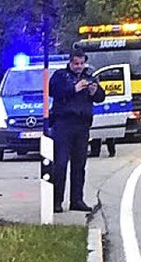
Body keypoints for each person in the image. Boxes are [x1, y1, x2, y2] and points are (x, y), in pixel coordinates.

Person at [49, 48, 105, 213]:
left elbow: (101, 97)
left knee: (79, 164)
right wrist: (75, 88)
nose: (79, 66)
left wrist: (95, 91)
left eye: (82, 63)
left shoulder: (89, 77)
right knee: (60, 164)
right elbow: (54, 92)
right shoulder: (60, 76)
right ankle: (56, 201)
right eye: (76, 63)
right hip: (63, 124)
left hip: (82, 125)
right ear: (70, 62)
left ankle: (77, 200)